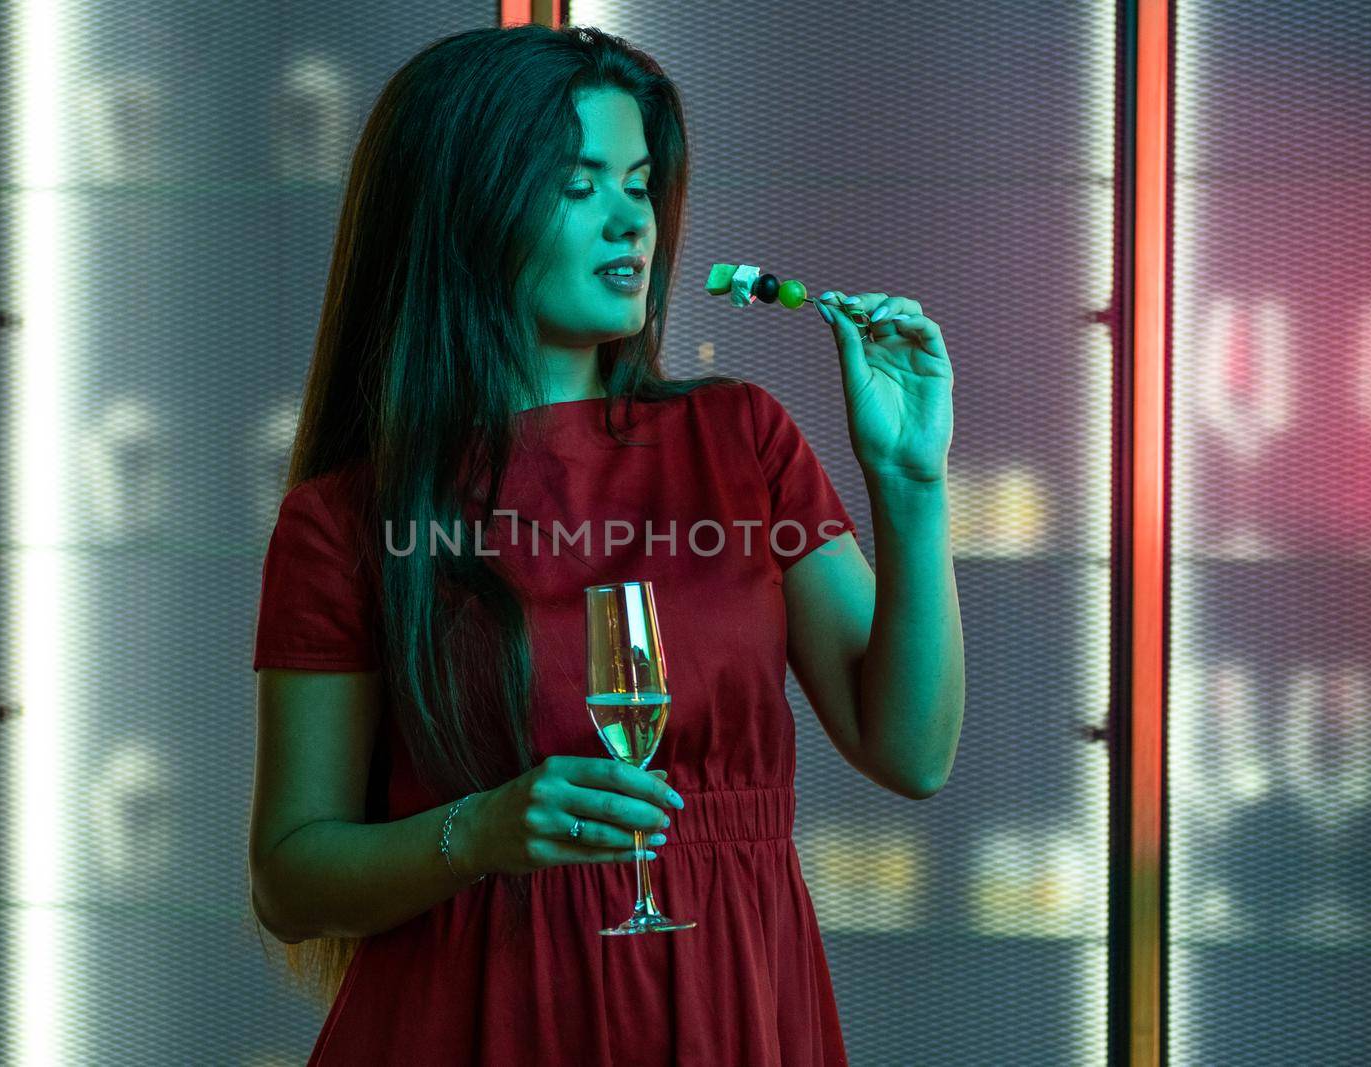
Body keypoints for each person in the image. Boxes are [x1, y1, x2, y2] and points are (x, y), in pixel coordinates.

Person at [248, 22, 963, 1066]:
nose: (633, 219)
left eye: (639, 182)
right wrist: (480, 832)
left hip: (734, 1007)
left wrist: (910, 484)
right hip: (474, 1023)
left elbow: (912, 749)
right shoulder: (346, 520)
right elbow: (289, 876)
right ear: (462, 206)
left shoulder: (741, 437)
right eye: (581, 184)